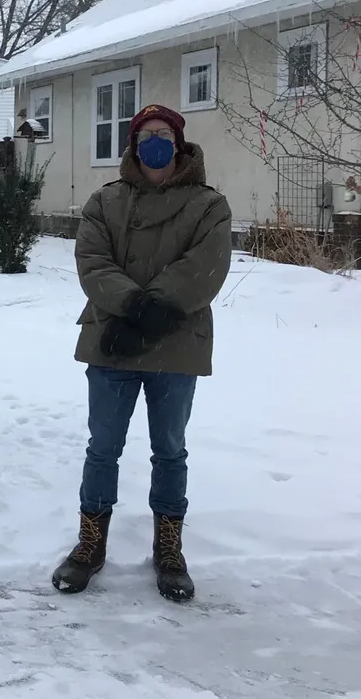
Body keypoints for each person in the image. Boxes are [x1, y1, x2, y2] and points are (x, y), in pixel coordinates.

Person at [52, 104, 232, 603]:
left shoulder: (209, 205)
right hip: (112, 339)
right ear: (132, 144)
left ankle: (169, 547)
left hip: (177, 343)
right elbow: (93, 259)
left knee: (170, 449)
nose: (156, 142)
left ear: (178, 142)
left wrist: (153, 313)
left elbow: (206, 266)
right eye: (146, 134)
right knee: (102, 447)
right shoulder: (104, 201)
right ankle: (91, 542)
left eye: (164, 134)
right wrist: (130, 304)